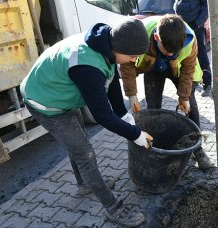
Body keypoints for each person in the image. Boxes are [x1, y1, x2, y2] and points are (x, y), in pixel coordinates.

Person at [20, 19, 153, 227]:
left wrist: (123, 113)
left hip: (60, 91)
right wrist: (134, 133)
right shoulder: (87, 66)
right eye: (132, 56)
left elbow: (112, 80)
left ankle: (84, 184)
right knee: (85, 153)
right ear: (118, 48)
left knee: (79, 139)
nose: (132, 61)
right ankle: (113, 208)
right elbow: (102, 116)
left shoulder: (105, 43)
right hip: (45, 101)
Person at [119, 14, 214, 169]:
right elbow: (126, 65)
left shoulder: (190, 40)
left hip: (178, 67)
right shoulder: (139, 35)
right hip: (153, 67)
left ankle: (198, 150)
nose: (170, 54)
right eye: (167, 50)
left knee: (190, 105)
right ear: (156, 37)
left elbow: (189, 69)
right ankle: (152, 146)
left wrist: (183, 97)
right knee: (152, 107)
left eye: (174, 51)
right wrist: (131, 94)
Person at [174, 0, 212, 97]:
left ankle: (207, 83)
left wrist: (197, 23)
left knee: (201, 55)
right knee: (184, 54)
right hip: (182, 26)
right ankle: (192, 81)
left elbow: (206, 8)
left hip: (196, 27)